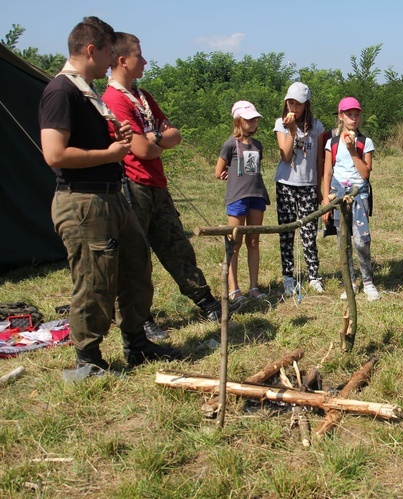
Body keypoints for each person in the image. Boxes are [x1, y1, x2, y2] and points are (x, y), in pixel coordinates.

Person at [39, 17, 181, 373]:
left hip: (111, 196)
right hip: (83, 200)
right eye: (106, 53)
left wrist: (113, 140)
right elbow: (54, 154)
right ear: (91, 50)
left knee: (136, 267)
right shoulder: (62, 91)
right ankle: (88, 359)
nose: (109, 62)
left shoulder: (87, 93)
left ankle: (137, 344)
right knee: (94, 279)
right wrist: (111, 154)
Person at [102, 32, 229, 335]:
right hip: (132, 185)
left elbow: (174, 135)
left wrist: (155, 138)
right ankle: (140, 320)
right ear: (123, 60)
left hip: (156, 184)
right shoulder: (114, 100)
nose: (144, 61)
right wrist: (155, 141)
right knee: (136, 257)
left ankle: (206, 301)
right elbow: (142, 150)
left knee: (176, 245)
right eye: (139, 56)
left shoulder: (143, 97)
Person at [320, 97, 380, 301]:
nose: (353, 118)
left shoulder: (366, 142)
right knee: (342, 240)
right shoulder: (332, 143)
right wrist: (325, 202)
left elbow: (365, 173)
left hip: (359, 195)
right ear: (341, 116)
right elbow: (327, 173)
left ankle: (368, 281)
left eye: (356, 114)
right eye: (349, 114)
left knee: (362, 241)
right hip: (338, 195)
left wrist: (354, 149)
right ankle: (350, 282)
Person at [215, 101, 270, 306]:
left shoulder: (258, 145)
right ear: (238, 121)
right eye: (249, 119)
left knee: (253, 241)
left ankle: (254, 287)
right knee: (234, 243)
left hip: (257, 194)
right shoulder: (230, 144)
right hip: (237, 196)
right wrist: (225, 175)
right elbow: (218, 171)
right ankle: (234, 289)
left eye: (255, 119)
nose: (254, 122)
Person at [274, 82, 326, 297]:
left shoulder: (317, 127)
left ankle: (314, 275)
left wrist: (322, 186)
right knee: (286, 232)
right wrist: (292, 131)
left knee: (309, 232)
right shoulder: (281, 124)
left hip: (309, 184)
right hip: (286, 183)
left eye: (298, 103)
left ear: (306, 105)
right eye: (290, 102)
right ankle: (288, 276)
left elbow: (321, 159)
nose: (293, 107)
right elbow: (285, 155)